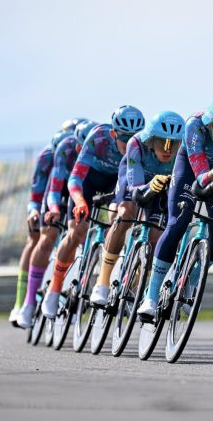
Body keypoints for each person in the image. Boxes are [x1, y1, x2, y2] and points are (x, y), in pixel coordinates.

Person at [137, 91, 213, 318]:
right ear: (211, 124)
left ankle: (192, 280)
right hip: (192, 170)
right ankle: (151, 296)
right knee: (178, 222)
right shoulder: (194, 126)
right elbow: (201, 177)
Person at [40, 106, 145, 319]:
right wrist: (79, 202)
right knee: (77, 231)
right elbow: (75, 178)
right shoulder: (98, 138)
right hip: (88, 181)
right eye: (124, 138)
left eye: (133, 137)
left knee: (121, 217)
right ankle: (54, 288)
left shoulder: (140, 145)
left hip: (114, 182)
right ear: (114, 134)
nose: (129, 143)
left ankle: (111, 275)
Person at [88, 111, 186, 306]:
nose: (168, 149)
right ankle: (102, 282)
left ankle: (140, 283)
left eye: (173, 144)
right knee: (125, 214)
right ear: (151, 140)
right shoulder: (136, 144)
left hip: (162, 184)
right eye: (162, 143)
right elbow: (135, 191)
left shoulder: (184, 151)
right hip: (135, 179)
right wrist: (149, 187)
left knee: (157, 234)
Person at [15, 120, 97, 328]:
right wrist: (37, 210)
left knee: (82, 234)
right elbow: (43, 191)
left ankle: (74, 288)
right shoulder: (57, 152)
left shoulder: (98, 150)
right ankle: (27, 302)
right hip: (57, 192)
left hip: (81, 191)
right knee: (45, 237)